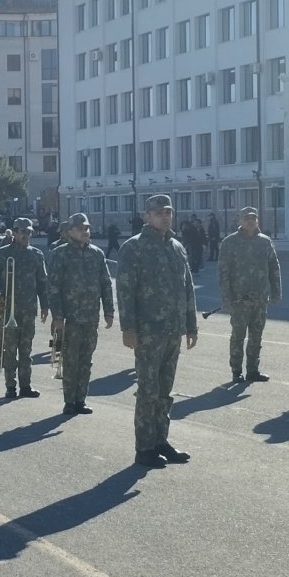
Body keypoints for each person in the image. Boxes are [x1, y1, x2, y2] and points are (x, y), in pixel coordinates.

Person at [116, 195, 197, 467]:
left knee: (165, 391)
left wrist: (191, 325)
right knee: (148, 390)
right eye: (159, 212)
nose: (165, 216)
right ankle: (144, 447)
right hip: (148, 331)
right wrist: (128, 328)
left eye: (168, 212)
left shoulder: (176, 247)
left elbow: (187, 289)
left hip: (172, 330)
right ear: (147, 216)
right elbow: (125, 291)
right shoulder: (134, 248)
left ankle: (161, 440)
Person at [45, 213, 114, 415]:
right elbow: (53, 287)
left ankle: (81, 400)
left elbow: (106, 284)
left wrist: (109, 311)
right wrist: (57, 316)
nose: (85, 231)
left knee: (86, 360)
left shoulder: (97, 254)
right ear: (70, 232)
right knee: (69, 360)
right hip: (69, 319)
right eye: (81, 228)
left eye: (87, 228)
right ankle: (69, 401)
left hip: (91, 317)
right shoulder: (59, 254)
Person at [218, 206, 281, 385]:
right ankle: (236, 371)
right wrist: (226, 297)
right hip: (239, 300)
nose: (250, 221)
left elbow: (274, 268)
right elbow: (223, 272)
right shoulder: (230, 242)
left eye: (253, 218)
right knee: (238, 336)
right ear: (240, 221)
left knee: (256, 336)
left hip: (260, 299)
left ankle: (253, 370)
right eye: (246, 218)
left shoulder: (265, 242)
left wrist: (276, 291)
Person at [0, 218, 50, 399]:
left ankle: (26, 385)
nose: (26, 235)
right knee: (9, 350)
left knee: (26, 349)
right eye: (22, 232)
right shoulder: (2, 254)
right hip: (8, 310)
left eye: (29, 232)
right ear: (14, 233)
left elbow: (42, 282)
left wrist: (45, 305)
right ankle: (10, 386)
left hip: (28, 310)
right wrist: (0, 294)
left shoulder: (36, 254)